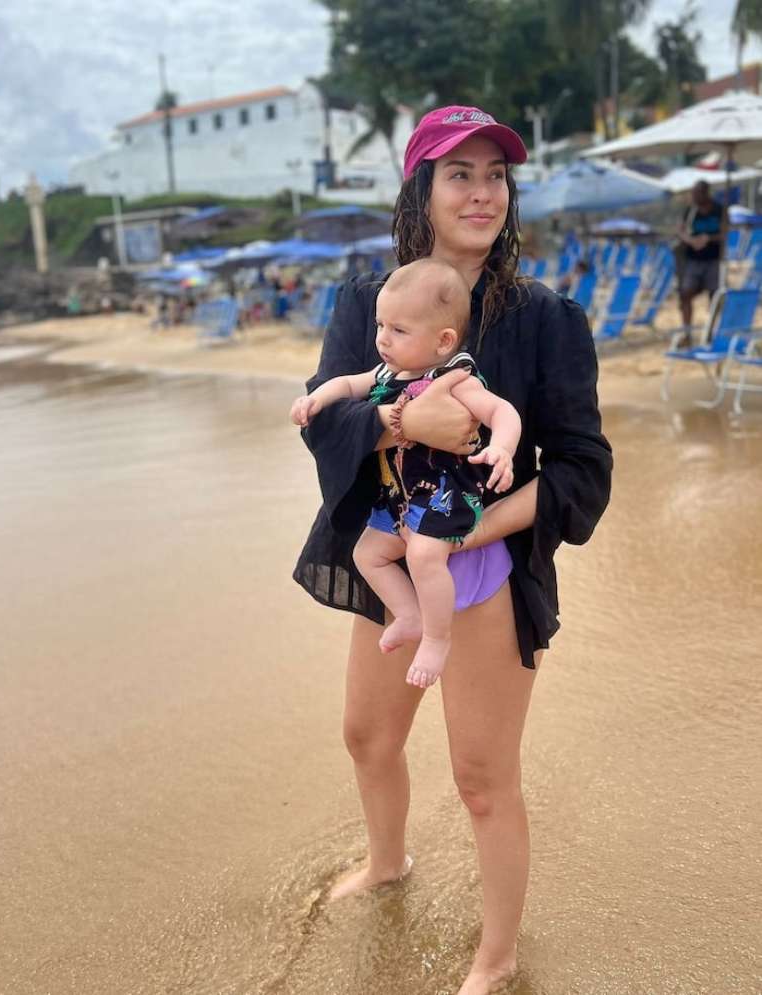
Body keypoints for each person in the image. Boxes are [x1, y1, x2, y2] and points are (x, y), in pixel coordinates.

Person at [293, 104, 612, 995]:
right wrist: (400, 418)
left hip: (486, 565)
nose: (481, 192)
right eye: (458, 174)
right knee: (365, 736)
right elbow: (325, 415)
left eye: (496, 175)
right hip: (393, 551)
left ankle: (496, 955)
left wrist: (466, 527)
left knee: (479, 777)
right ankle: (386, 860)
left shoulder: (548, 320)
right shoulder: (367, 302)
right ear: (420, 190)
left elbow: (584, 468)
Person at [290, 258, 521, 689]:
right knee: (367, 555)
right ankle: (411, 615)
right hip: (398, 501)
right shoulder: (387, 372)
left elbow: (501, 411)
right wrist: (314, 401)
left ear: (443, 340)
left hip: (443, 497)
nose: (381, 339)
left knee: (422, 555)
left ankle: (437, 638)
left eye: (398, 330)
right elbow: (345, 385)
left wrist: (503, 449)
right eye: (380, 325)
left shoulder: (454, 377)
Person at [677, 180, 724, 335]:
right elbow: (681, 231)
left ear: (705, 193)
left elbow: (724, 233)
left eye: (696, 194)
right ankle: (687, 332)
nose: (694, 197)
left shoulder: (719, 210)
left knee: (714, 297)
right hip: (693, 260)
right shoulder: (690, 211)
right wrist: (691, 241)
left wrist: (708, 238)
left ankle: (710, 331)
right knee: (685, 294)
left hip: (713, 260)